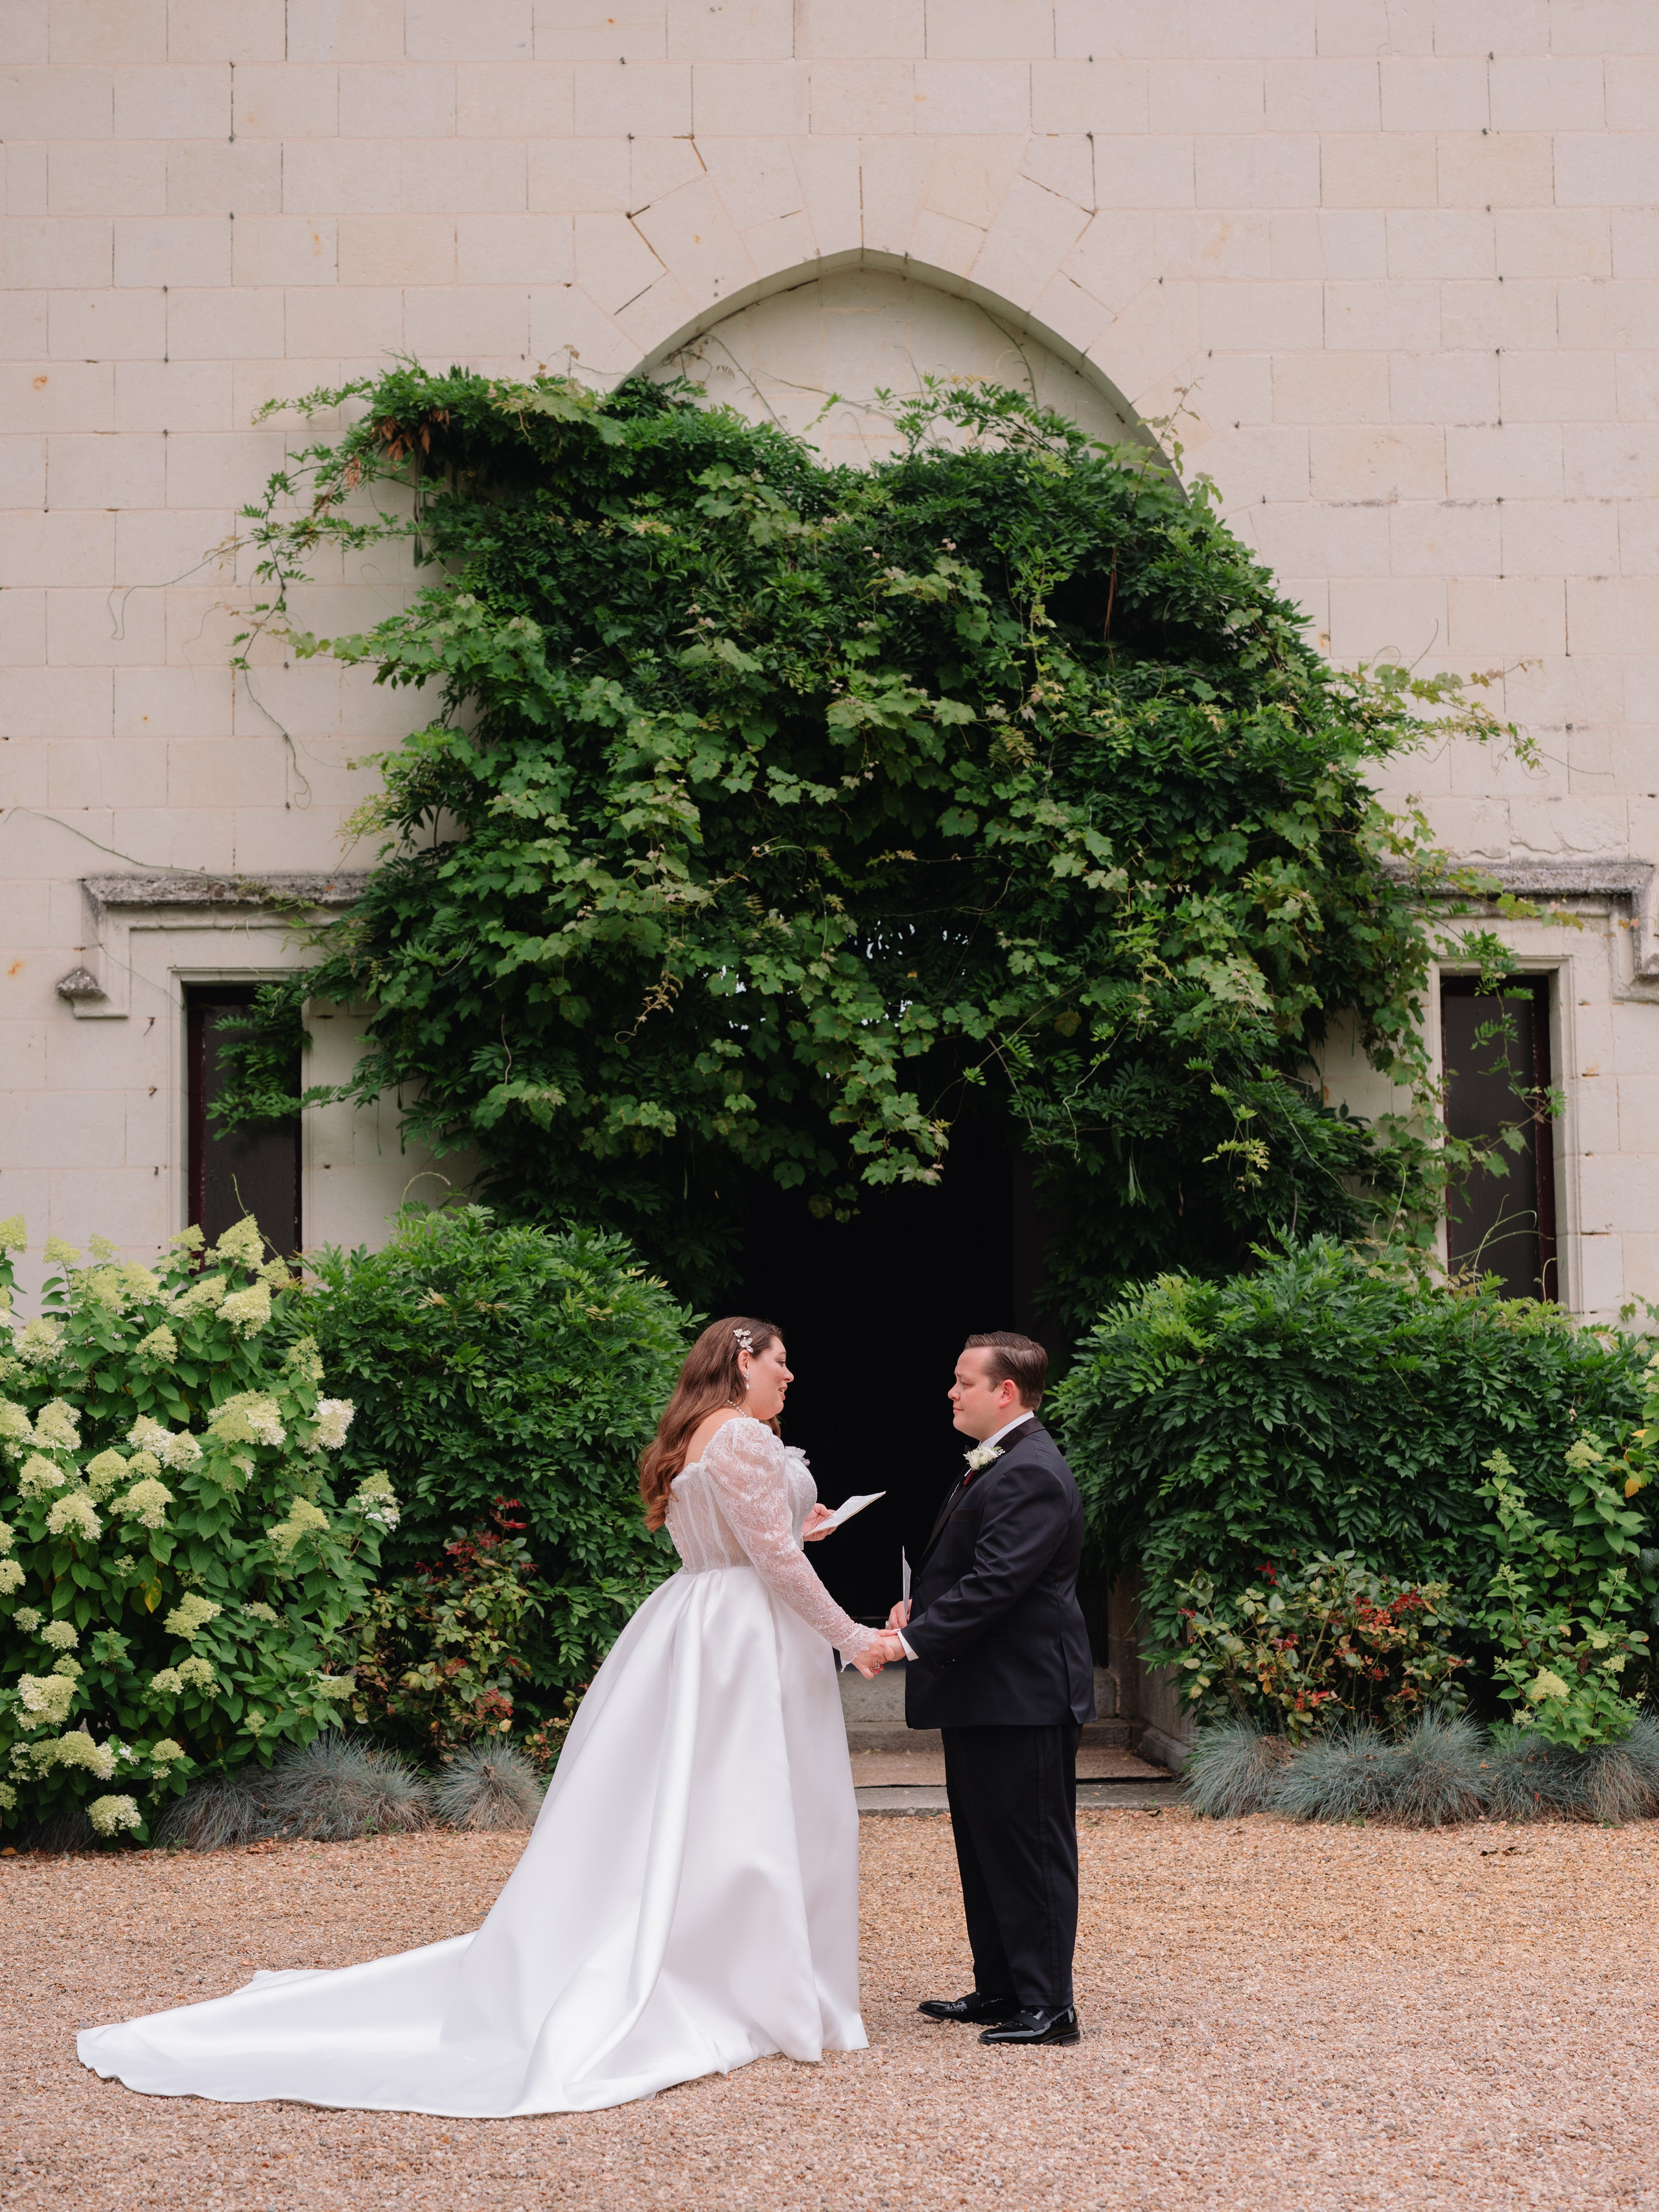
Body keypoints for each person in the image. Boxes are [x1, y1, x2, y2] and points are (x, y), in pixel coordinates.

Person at [78, 1318, 886, 2115]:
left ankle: (730, 1959)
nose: (790, 1376)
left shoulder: (697, 1433)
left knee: (703, 1806)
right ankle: (747, 1978)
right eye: (781, 1362)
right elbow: (773, 1560)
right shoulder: (742, 1436)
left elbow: (753, 1535)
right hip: (743, 1632)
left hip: (701, 1618)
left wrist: (795, 1525)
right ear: (743, 1359)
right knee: (748, 1803)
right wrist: (853, 1635)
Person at [872, 1329, 1095, 2048]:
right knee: (985, 1843)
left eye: (964, 1380)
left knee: (1029, 1845)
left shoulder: (1031, 1468)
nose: (951, 1390)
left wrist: (906, 1641)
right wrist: (919, 1607)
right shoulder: (997, 1460)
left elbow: (998, 1582)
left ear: (1006, 1392)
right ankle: (1003, 1986)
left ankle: (1049, 2004)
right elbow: (969, 1571)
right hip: (984, 1692)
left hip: (1020, 1693)